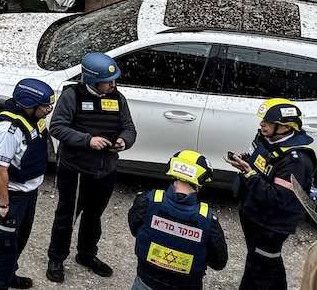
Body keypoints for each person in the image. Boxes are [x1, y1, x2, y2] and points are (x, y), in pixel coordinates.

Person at [46, 52, 137, 283]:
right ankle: (56, 258)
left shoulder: (118, 98)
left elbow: (129, 128)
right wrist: (88, 140)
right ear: (92, 80)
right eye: (108, 81)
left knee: (94, 216)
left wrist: (124, 141)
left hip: (105, 171)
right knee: (66, 216)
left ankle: (86, 255)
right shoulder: (71, 96)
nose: (113, 84)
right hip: (76, 170)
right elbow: (57, 127)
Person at [228, 99, 316, 290]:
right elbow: (259, 162)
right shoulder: (265, 138)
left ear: (284, 126)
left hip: (271, 224)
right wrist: (245, 162)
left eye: (266, 121)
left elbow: (280, 200)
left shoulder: (297, 161)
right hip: (253, 212)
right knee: (265, 261)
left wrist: (250, 175)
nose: (261, 124)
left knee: (258, 268)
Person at [0, 79, 56, 290]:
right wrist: (4, 205)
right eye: (44, 106)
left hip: (29, 192)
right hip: (13, 196)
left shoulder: (32, 118)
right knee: (4, 244)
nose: (48, 110)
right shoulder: (8, 130)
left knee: (19, 238)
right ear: (27, 104)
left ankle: (9, 275)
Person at [127, 150, 228, 290]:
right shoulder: (207, 220)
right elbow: (219, 262)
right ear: (200, 181)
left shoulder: (148, 200)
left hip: (145, 282)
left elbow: (134, 229)